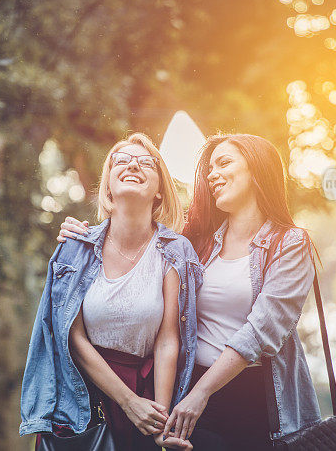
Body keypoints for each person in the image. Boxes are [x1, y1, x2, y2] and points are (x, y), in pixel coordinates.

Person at [58, 133, 323, 450]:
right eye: (210, 168)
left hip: (257, 398)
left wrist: (202, 392)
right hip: (190, 395)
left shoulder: (290, 243)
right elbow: (136, 231)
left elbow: (263, 330)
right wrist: (81, 233)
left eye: (224, 163)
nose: (212, 174)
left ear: (257, 170)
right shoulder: (196, 242)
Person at [20, 133, 201, 450]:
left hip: (147, 393)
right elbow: (71, 338)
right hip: (81, 397)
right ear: (108, 185)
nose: (133, 164)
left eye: (147, 163)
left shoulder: (176, 251)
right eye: (122, 159)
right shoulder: (75, 247)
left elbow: (168, 339)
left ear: (159, 191)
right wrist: (127, 401)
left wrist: (161, 422)